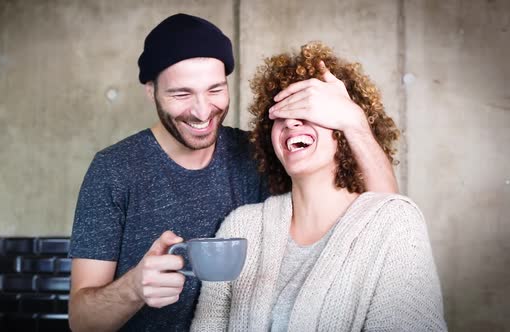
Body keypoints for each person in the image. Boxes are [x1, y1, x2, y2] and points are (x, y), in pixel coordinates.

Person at [68, 14, 399, 332]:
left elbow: (388, 222)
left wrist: (354, 122)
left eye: (214, 90)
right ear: (151, 90)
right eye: (181, 93)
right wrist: (133, 289)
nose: (201, 111)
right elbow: (82, 321)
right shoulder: (113, 170)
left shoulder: (258, 153)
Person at [190, 41, 447, 331]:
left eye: (310, 110)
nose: (291, 122)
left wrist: (354, 120)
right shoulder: (240, 228)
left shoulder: (397, 223)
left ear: (343, 126)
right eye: (280, 114)